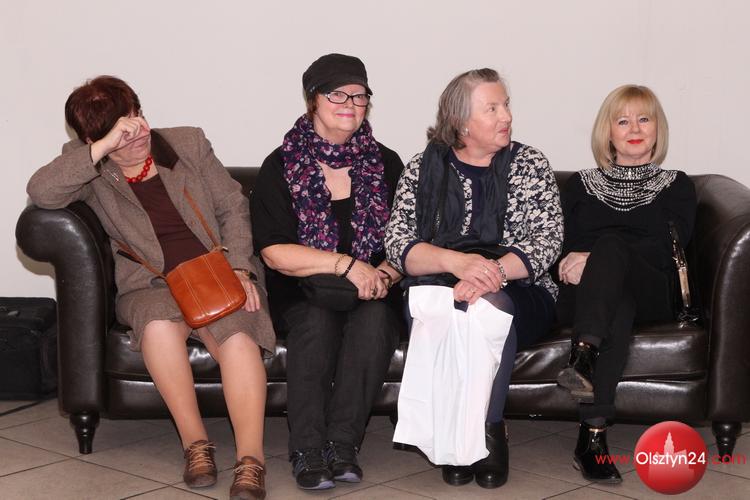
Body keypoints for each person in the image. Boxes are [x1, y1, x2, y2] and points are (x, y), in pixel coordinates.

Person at [27, 76, 272, 500]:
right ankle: (196, 446)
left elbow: (234, 207)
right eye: (122, 131)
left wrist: (240, 269)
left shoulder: (187, 143)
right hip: (151, 284)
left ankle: (251, 460)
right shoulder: (89, 166)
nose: (138, 132)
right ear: (94, 139)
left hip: (217, 273)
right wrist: (103, 149)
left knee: (238, 338)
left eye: (137, 116)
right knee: (157, 328)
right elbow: (41, 192)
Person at [385, 68, 563, 489]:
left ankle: (487, 429)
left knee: (486, 309)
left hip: (519, 287)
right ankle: (455, 437)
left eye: (506, 105)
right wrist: (456, 263)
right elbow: (396, 242)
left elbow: (548, 239)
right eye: (492, 108)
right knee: (443, 310)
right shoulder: (422, 168)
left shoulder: (529, 164)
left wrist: (491, 274)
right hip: (438, 281)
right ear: (461, 122)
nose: (507, 116)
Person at [250, 53, 404, 491]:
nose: (350, 104)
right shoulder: (281, 164)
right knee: (316, 322)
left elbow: (406, 242)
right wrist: (347, 266)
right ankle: (307, 449)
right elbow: (274, 252)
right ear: (313, 100)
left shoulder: (387, 163)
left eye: (359, 95)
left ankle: (343, 444)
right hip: (302, 290)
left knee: (375, 321)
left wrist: (382, 276)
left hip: (373, 291)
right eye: (337, 94)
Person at [555, 84, 697, 483]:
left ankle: (584, 355)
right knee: (617, 307)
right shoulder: (579, 185)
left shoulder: (677, 185)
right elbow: (557, 250)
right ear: (608, 132)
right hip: (588, 297)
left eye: (644, 119)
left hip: (652, 289)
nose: (634, 128)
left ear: (657, 128)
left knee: (611, 246)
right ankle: (592, 438)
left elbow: (667, 250)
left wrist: (595, 257)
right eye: (622, 121)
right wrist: (568, 262)